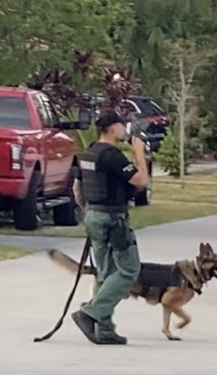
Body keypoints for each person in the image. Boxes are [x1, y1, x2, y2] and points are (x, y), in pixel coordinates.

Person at [69, 110, 150, 345]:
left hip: (93, 215)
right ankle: (89, 313)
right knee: (128, 270)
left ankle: (104, 330)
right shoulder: (113, 156)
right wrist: (139, 154)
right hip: (113, 219)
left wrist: (89, 212)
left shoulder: (89, 153)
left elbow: (77, 189)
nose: (125, 130)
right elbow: (141, 182)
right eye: (122, 126)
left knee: (105, 273)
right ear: (112, 129)